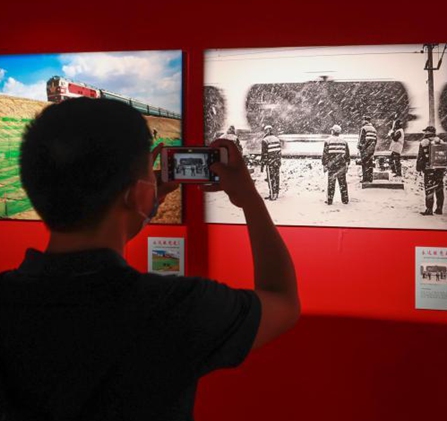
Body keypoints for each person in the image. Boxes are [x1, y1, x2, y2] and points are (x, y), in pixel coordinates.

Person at [0, 98, 299, 420]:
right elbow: (283, 301)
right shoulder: (178, 308)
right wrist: (249, 197)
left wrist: (135, 204)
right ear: (139, 194)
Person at [416, 126, 447, 216]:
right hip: (439, 168)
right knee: (439, 188)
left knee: (429, 188)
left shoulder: (424, 142)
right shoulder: (441, 142)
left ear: (427, 133)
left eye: (425, 131)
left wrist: (419, 168)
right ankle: (439, 208)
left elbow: (421, 157)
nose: (424, 133)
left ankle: (429, 209)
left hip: (429, 169)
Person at [322, 124, 350, 205]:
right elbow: (347, 154)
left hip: (332, 165)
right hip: (341, 164)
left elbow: (325, 154)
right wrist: (347, 163)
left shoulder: (328, 141)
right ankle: (345, 200)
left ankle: (330, 200)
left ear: (333, 131)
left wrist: (324, 164)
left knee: (331, 183)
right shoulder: (344, 141)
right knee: (343, 183)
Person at [260, 125, 282, 200]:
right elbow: (279, 152)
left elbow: (264, 154)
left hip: (270, 162)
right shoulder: (277, 139)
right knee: (276, 176)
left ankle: (272, 194)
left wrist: (263, 164)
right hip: (277, 161)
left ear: (266, 131)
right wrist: (279, 161)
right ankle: (276, 192)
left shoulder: (265, 140)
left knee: (270, 178)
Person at [358, 116, 377, 183]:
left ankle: (365, 178)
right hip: (371, 149)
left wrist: (360, 148)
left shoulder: (363, 128)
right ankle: (370, 178)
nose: (362, 121)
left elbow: (361, 139)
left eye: (363, 120)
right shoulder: (374, 129)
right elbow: (376, 140)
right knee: (370, 163)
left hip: (365, 149)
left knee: (364, 164)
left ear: (365, 121)